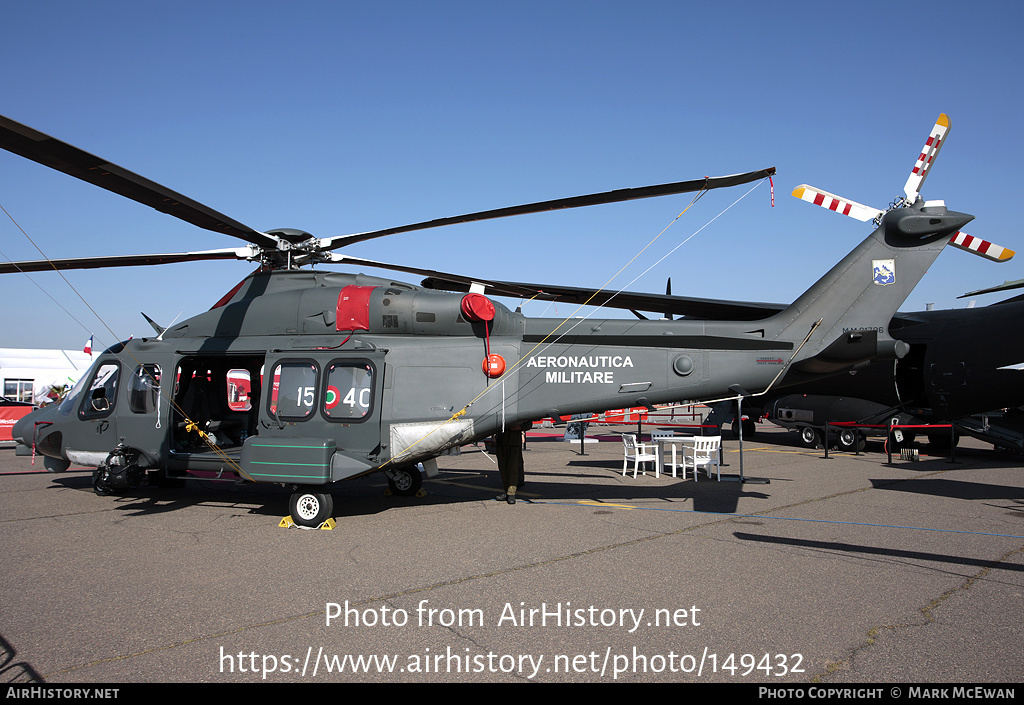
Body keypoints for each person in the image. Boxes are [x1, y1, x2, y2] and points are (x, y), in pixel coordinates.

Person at [494, 423, 526, 505]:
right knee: (503, 469)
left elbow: (528, 423)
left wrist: (519, 427)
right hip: (501, 442)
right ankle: (506, 491)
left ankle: (511, 493)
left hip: (514, 444)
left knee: (513, 468)